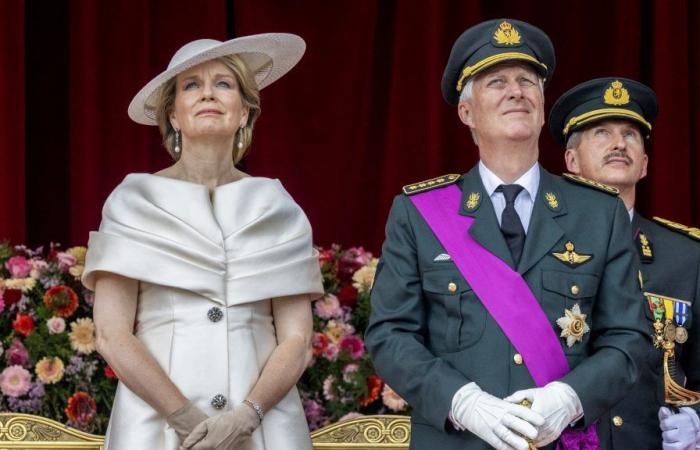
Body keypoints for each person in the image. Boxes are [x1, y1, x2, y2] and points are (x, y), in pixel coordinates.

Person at [365, 19, 649, 450]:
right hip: (457, 441)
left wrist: (568, 398)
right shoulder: (419, 214)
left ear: (541, 103)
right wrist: (461, 402)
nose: (516, 91)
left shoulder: (600, 211)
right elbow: (389, 334)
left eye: (527, 81)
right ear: (467, 113)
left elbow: (629, 337)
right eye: (496, 81)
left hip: (560, 440)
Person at [81, 34, 323, 450]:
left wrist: (247, 417)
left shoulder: (278, 205)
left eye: (224, 84)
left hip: (263, 426)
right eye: (191, 85)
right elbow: (111, 333)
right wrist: (187, 419)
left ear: (244, 111)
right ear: (172, 115)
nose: (208, 92)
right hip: (156, 427)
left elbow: (297, 341)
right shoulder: (131, 200)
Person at [550, 77, 700, 450]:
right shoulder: (538, 247)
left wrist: (699, 422)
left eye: (631, 135)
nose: (619, 143)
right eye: (601, 133)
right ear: (571, 161)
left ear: (645, 164)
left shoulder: (686, 255)